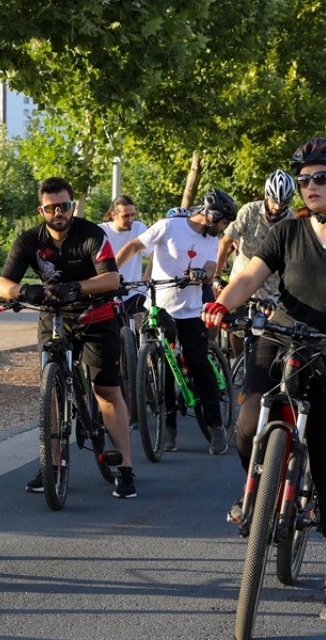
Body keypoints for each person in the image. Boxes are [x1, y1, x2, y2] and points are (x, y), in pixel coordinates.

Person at [203, 138, 326, 622]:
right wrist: (222, 303)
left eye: (320, 178)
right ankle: (261, 487)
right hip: (282, 341)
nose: (309, 187)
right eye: (304, 179)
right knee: (247, 427)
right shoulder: (286, 232)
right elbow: (249, 276)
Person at [0, 177, 138, 498]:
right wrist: (25, 291)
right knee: (53, 394)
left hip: (96, 315)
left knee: (106, 390)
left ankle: (126, 467)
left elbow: (112, 278)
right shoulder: (29, 240)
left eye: (64, 206)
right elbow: (3, 284)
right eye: (51, 208)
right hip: (53, 316)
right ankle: (52, 462)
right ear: (41, 210)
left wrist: (77, 287)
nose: (58, 212)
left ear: (73, 206)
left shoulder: (91, 234)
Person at [116, 188, 238, 455]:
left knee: (198, 363)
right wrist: (111, 273)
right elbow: (135, 246)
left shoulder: (211, 238)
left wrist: (203, 276)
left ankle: (216, 427)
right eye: (223, 221)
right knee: (163, 367)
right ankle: (168, 427)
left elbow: (210, 267)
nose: (224, 227)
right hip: (158, 306)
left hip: (190, 310)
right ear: (210, 215)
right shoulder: (169, 226)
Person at [212, 169, 295, 359]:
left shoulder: (292, 219)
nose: (278, 207)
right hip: (243, 278)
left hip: (271, 286)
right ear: (266, 195)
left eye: (284, 203)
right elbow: (225, 241)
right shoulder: (249, 211)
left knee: (268, 335)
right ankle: (240, 363)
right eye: (275, 201)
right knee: (237, 328)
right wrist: (217, 276)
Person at [99, 195, 150, 321]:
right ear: (113, 215)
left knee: (139, 331)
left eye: (133, 215)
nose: (131, 219)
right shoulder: (101, 230)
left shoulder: (139, 227)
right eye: (126, 216)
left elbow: (154, 254)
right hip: (109, 293)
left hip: (134, 292)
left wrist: (147, 276)